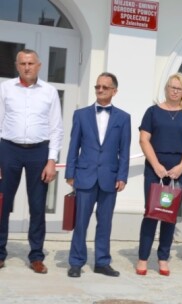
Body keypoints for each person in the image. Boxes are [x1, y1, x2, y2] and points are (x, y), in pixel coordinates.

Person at [0, 49, 63, 273]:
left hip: (39, 152)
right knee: (1, 204)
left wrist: (51, 160)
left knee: (37, 206)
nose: (27, 67)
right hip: (8, 150)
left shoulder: (50, 92)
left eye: (31, 63)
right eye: (23, 63)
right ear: (17, 66)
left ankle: (36, 256)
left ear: (39, 65)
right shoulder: (5, 89)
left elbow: (56, 128)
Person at [65, 72, 131, 278]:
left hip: (110, 178)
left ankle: (102, 262)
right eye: (97, 87)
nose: (100, 90)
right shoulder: (81, 115)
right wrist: (70, 172)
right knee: (81, 221)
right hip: (85, 176)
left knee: (105, 222)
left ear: (114, 91)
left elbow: (125, 150)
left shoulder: (124, 118)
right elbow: (73, 145)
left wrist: (123, 176)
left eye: (104, 87)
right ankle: (76, 262)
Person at [136, 73, 182, 276]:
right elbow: (144, 140)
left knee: (169, 215)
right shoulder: (152, 112)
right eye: (171, 87)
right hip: (155, 168)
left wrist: (181, 167)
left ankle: (163, 258)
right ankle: (143, 258)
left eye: (178, 88)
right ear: (166, 89)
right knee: (151, 212)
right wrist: (156, 166)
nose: (174, 90)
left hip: (178, 170)